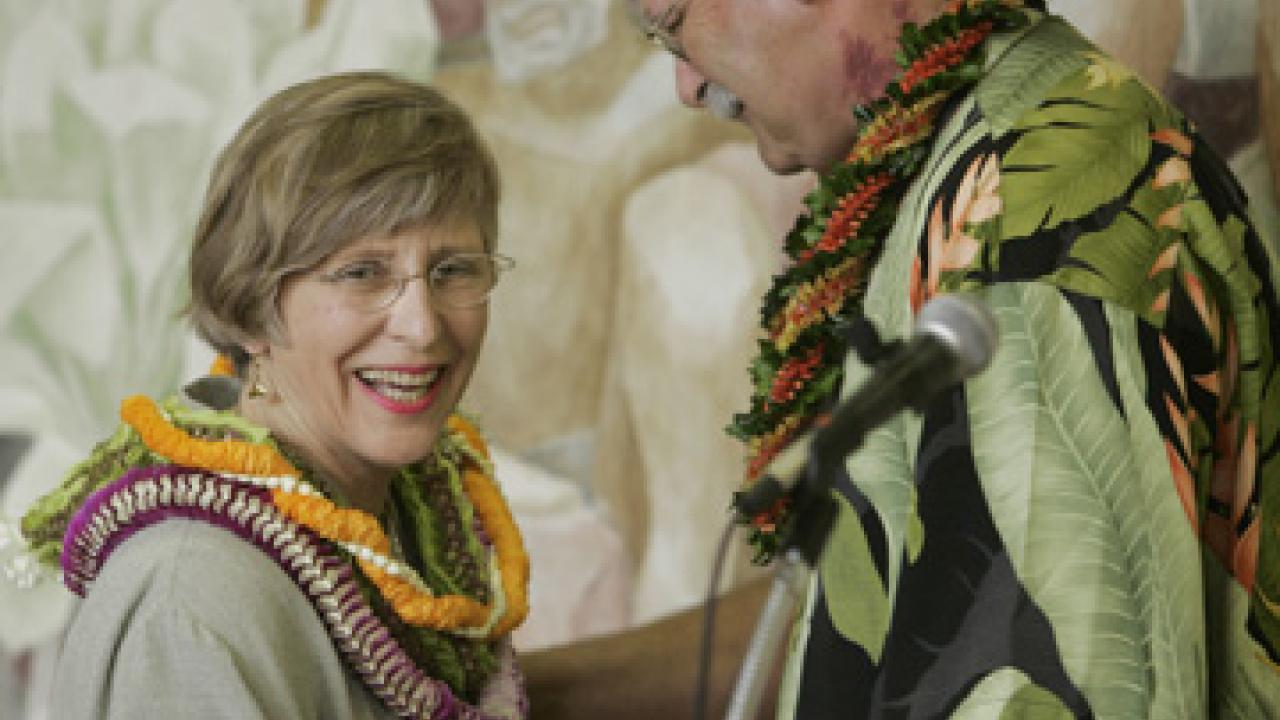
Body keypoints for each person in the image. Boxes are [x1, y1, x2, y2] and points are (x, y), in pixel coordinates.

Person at [524, 0, 1280, 717]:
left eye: (673, 25)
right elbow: (868, 622)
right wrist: (521, 694)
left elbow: (1042, 686)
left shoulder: (1030, 216)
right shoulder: (993, 151)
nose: (687, 85)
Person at [20, 71, 529, 719]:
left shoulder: (406, 513)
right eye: (362, 273)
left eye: (452, 270)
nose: (422, 326)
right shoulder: (194, 601)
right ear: (251, 308)